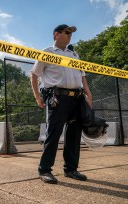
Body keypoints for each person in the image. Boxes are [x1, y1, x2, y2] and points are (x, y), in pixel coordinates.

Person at [30, 24, 92, 184]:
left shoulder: (74, 55)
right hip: (57, 98)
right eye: (67, 32)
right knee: (54, 134)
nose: (70, 35)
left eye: (71, 33)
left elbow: (82, 76)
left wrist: (88, 94)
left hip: (76, 98)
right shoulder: (47, 53)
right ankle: (44, 170)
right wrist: (38, 97)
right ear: (56, 34)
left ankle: (71, 169)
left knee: (74, 135)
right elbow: (34, 75)